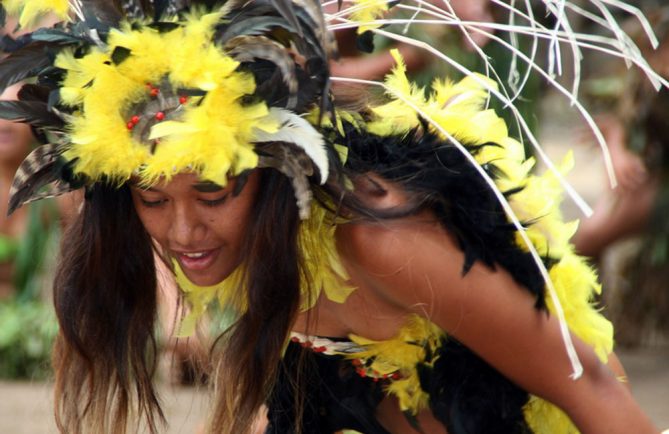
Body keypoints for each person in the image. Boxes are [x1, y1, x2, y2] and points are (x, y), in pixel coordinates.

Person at [0, 1, 663, 433]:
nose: (181, 231)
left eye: (211, 193)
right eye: (152, 200)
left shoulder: (384, 243)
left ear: (278, 170)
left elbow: (591, 390)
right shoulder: (243, 241)